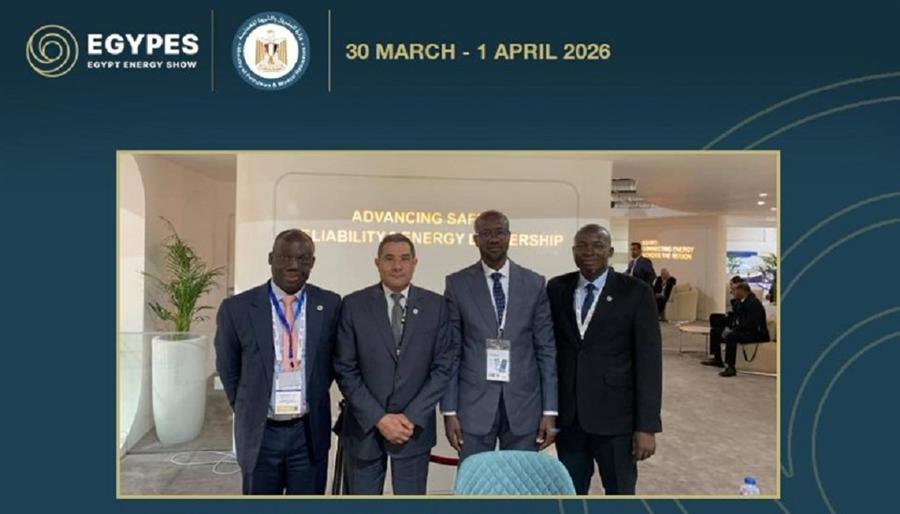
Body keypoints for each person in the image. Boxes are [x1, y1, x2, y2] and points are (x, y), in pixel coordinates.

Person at [214, 229, 341, 494]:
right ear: (271, 258)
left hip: (308, 433)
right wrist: (249, 406)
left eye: (302, 259)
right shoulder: (237, 308)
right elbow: (228, 367)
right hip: (261, 434)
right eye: (285, 257)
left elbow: (331, 364)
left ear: (312, 263)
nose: (293, 265)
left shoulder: (330, 305)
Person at [334, 234, 456, 495]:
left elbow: (443, 368)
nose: (397, 266)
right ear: (377, 263)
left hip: (413, 430)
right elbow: (345, 369)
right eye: (389, 259)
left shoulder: (436, 306)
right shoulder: (354, 305)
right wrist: (379, 418)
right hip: (365, 430)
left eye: (404, 259)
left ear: (415, 263)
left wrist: (411, 417)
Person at [547, 224, 662, 495]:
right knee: (570, 494)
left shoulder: (636, 292)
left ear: (610, 251)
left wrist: (646, 426)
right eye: (582, 246)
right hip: (570, 419)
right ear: (573, 251)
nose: (589, 252)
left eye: (597, 245)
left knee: (619, 494)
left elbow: (649, 363)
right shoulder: (557, 288)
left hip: (616, 421)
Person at [440, 210, 558, 461]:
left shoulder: (534, 283)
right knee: (474, 480)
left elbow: (546, 350)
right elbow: (451, 351)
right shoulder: (457, 284)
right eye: (486, 233)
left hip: (525, 406)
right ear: (476, 240)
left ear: (509, 237)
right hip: (473, 407)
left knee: (520, 480)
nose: (493, 239)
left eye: (499, 232)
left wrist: (550, 410)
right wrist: (449, 411)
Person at [701, 282, 770, 377]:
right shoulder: (739, 302)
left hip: (756, 333)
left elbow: (751, 323)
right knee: (715, 331)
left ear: (742, 291)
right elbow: (735, 318)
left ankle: (731, 367)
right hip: (744, 330)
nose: (732, 292)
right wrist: (729, 327)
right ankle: (717, 359)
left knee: (731, 336)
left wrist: (734, 330)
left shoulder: (754, 303)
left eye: (734, 290)